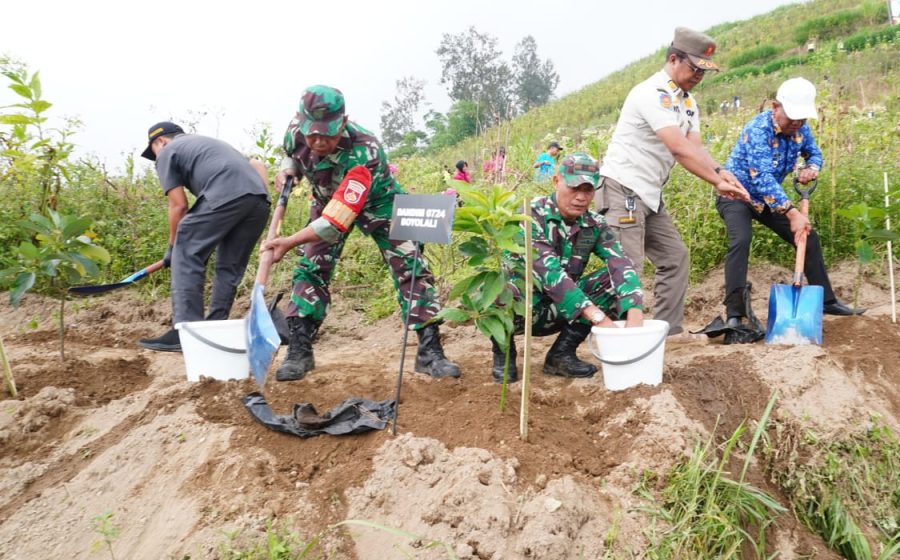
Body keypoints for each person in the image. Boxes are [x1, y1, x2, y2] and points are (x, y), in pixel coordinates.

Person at [263, 85, 460, 381]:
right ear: (300, 122)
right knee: (311, 267)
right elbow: (291, 155)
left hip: (380, 204)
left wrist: (289, 242)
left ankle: (430, 352)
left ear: (343, 122)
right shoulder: (295, 132)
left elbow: (335, 223)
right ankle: (299, 351)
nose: (318, 141)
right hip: (326, 201)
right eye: (312, 134)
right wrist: (287, 169)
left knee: (412, 266)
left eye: (327, 134)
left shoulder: (364, 151)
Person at [596, 26, 750, 338]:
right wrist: (715, 183)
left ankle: (667, 335)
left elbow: (695, 147)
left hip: (649, 194)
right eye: (694, 68)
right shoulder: (651, 93)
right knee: (627, 269)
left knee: (674, 258)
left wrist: (720, 171)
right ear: (673, 59)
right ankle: (615, 339)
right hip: (623, 188)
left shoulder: (687, 103)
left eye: (704, 71)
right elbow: (678, 148)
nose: (699, 76)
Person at [718, 78, 864, 328]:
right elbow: (762, 178)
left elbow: (814, 153)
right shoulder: (758, 130)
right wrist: (793, 213)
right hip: (736, 195)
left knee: (809, 237)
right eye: (792, 117)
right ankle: (735, 314)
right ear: (775, 107)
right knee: (741, 241)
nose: (797, 123)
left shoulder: (801, 130)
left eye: (802, 118)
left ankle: (827, 301)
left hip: (769, 200)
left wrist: (811, 168)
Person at [493, 152, 644, 382]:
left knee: (612, 280)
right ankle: (503, 354)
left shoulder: (594, 224)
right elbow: (551, 274)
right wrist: (600, 319)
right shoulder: (528, 217)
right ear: (556, 181)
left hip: (562, 310)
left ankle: (560, 355)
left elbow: (620, 264)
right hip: (521, 309)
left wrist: (634, 316)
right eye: (574, 188)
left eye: (588, 190)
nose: (581, 197)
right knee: (497, 289)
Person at [137, 122, 271, 352]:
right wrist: (259, 199)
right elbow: (257, 165)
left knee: (186, 250)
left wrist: (173, 248)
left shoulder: (167, 151)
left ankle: (186, 331)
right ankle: (214, 328)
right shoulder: (209, 144)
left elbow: (179, 206)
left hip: (225, 193)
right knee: (229, 266)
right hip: (258, 201)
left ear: (160, 141)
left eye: (154, 152)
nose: (156, 158)